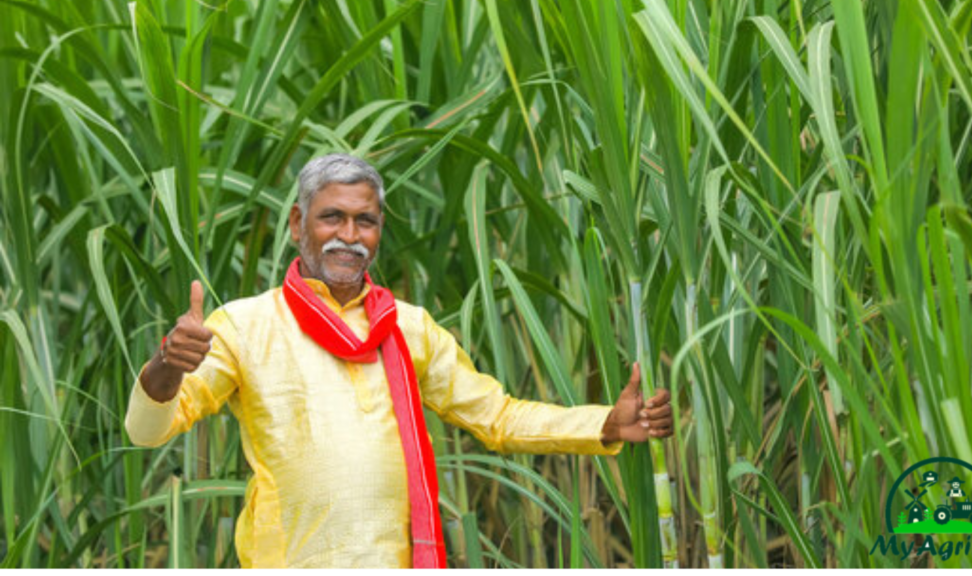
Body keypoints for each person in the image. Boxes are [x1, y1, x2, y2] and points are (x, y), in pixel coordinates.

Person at [124, 153, 675, 568]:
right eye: (331, 218)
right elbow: (148, 430)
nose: (349, 236)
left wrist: (603, 423)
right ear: (297, 224)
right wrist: (168, 365)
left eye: (365, 221)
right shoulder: (246, 325)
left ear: (380, 229)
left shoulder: (408, 327)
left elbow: (498, 418)